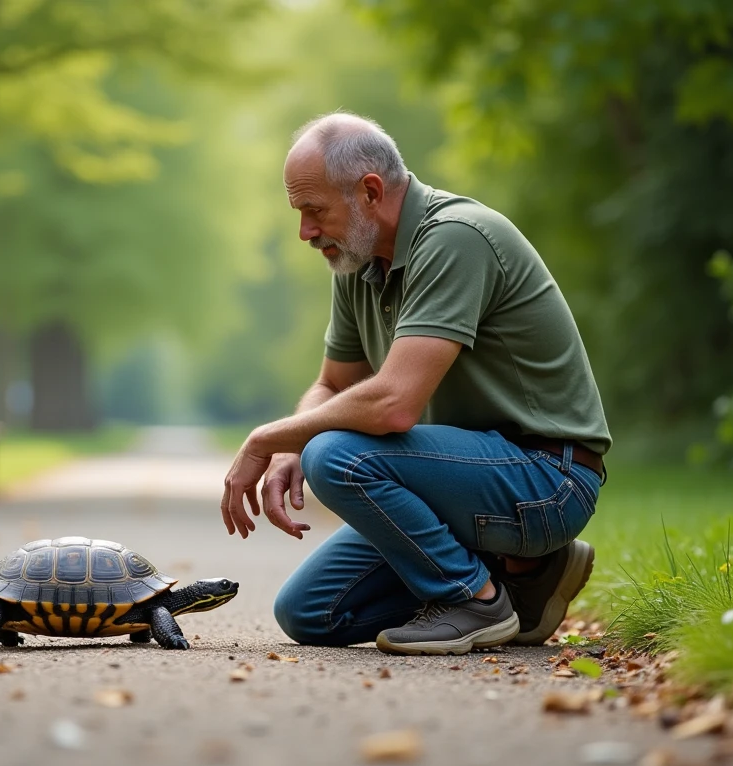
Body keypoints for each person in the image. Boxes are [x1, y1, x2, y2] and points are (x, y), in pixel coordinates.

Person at [220, 112, 611, 655]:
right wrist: (293, 438)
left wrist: (272, 438)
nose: (305, 232)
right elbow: (331, 384)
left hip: (547, 479)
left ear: (371, 191)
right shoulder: (357, 262)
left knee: (334, 455)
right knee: (309, 612)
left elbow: (393, 406)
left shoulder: (456, 239)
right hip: (456, 481)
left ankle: (474, 599)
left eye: (313, 210)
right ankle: (525, 575)